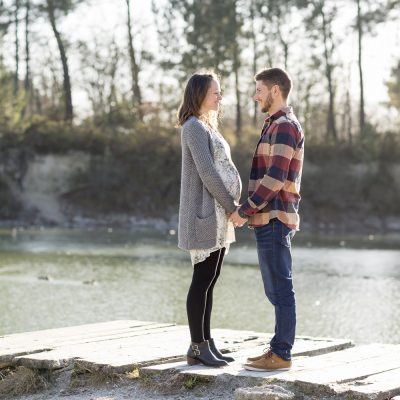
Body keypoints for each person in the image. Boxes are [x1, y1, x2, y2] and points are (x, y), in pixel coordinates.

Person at [230, 67, 304, 371]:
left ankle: (282, 354)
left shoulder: (285, 125)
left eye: (259, 89)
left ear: (275, 90)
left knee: (281, 289)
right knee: (275, 288)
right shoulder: (274, 125)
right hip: (267, 219)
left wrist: (244, 210)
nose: (255, 95)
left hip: (274, 218)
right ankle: (277, 348)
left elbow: (274, 179)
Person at [177, 71, 242, 367]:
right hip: (205, 216)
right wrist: (231, 206)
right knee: (202, 279)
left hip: (217, 217)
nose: (220, 96)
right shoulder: (192, 127)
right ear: (200, 94)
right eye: (216, 92)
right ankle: (196, 346)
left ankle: (206, 343)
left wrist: (229, 208)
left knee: (210, 280)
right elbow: (207, 172)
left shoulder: (207, 127)